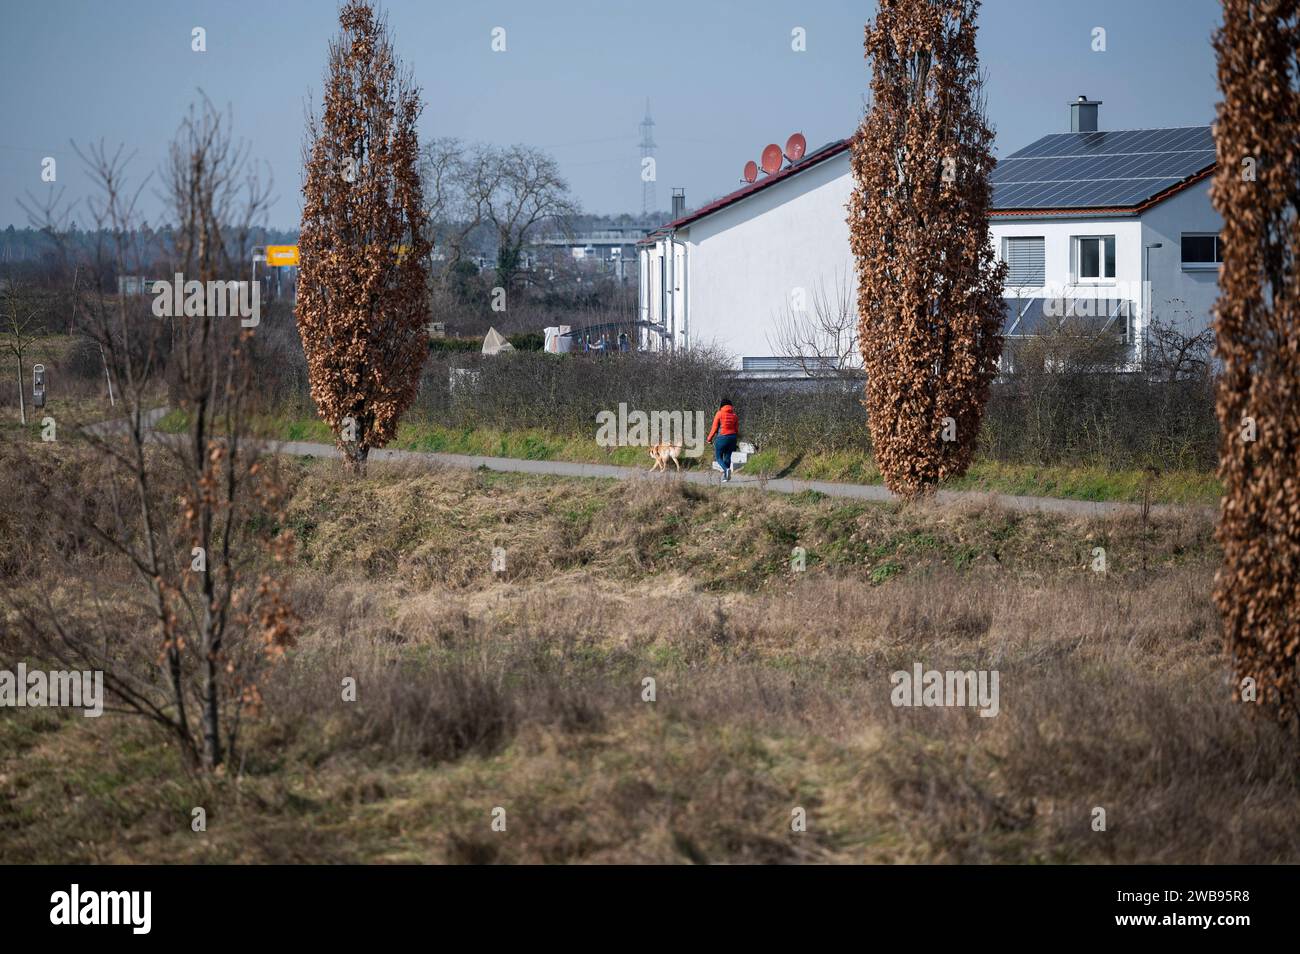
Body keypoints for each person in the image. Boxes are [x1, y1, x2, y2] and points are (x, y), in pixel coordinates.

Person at [706, 396, 739, 482]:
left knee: (718, 457)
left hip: (722, 438)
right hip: (732, 438)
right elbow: (736, 430)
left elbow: (714, 428)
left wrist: (709, 439)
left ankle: (726, 470)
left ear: (721, 405)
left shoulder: (719, 413)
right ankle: (726, 477)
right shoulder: (734, 416)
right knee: (727, 457)